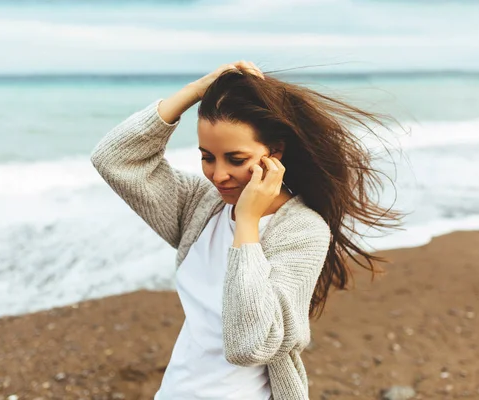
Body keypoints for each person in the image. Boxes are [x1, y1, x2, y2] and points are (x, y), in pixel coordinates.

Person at [90, 61, 404, 400]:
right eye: (207, 157)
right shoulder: (202, 206)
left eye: (236, 159)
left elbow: (250, 345)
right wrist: (198, 90)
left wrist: (248, 223)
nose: (218, 174)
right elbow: (114, 159)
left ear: (275, 153)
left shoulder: (302, 231)